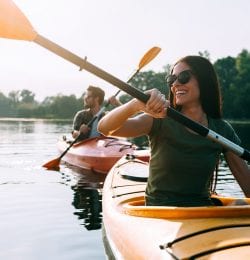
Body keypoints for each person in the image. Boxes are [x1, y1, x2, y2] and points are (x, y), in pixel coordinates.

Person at [98, 55, 250, 207]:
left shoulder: (222, 130)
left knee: (240, 204)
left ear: (204, 80)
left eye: (184, 77)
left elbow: (247, 183)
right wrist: (135, 105)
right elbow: (104, 128)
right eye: (171, 79)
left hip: (203, 212)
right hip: (159, 212)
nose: (175, 84)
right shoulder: (159, 118)